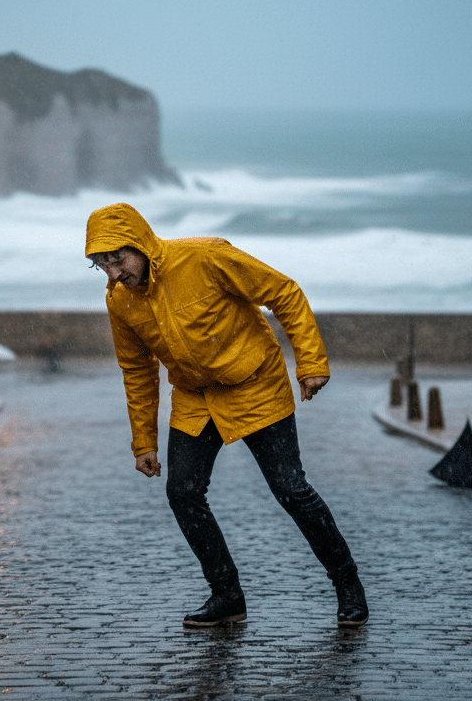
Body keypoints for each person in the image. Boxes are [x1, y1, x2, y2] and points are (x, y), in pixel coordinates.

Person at [84, 202, 367, 628]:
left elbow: (283, 292)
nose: (113, 274)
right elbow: (137, 370)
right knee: (183, 492)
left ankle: (348, 585)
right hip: (196, 398)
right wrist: (143, 441)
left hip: (256, 384)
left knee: (291, 490)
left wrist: (310, 363)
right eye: (102, 265)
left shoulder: (205, 257)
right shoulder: (121, 301)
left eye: (118, 260)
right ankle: (227, 596)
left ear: (139, 244)